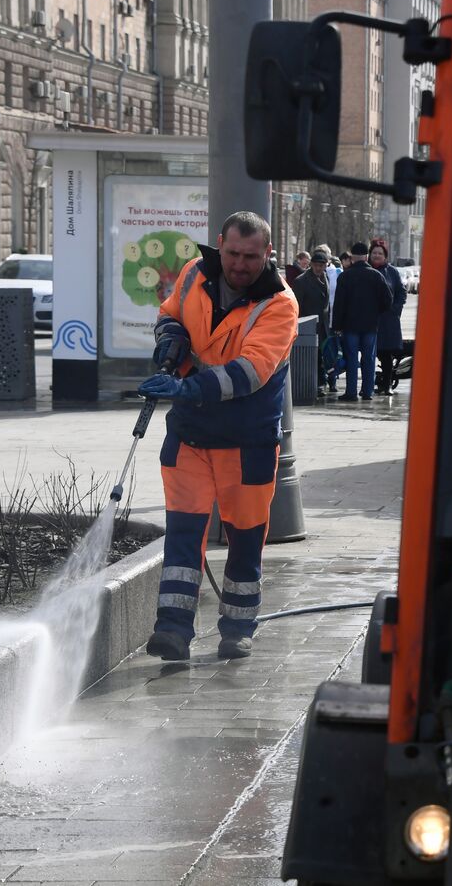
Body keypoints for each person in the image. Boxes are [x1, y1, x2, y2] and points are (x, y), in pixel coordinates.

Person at [137, 211, 300, 661]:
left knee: (245, 536)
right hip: (190, 434)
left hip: (247, 441)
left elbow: (249, 373)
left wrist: (184, 387)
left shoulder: (280, 305)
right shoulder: (194, 273)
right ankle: (172, 631)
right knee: (184, 534)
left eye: (251, 257)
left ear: (268, 254)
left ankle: (238, 626)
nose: (240, 265)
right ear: (220, 244)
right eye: (232, 253)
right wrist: (169, 342)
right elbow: (169, 315)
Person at [330, 240, 393, 401]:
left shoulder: (345, 276)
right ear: (366, 257)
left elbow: (339, 304)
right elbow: (388, 300)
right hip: (371, 325)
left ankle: (351, 392)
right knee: (369, 358)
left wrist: (337, 325)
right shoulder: (376, 276)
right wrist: (376, 312)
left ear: (352, 257)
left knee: (351, 358)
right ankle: (367, 391)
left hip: (350, 326)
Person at [292, 247, 332, 399]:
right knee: (312, 358)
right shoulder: (301, 281)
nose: (318, 268)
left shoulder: (325, 278)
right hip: (307, 325)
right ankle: (315, 385)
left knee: (321, 356)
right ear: (311, 265)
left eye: (321, 266)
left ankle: (322, 383)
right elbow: (296, 306)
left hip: (322, 325)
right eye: (316, 265)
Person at [369, 239, 407, 394]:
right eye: (374, 253)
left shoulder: (392, 272)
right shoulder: (366, 270)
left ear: (385, 256)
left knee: (386, 354)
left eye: (380, 253)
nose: (377, 255)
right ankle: (368, 385)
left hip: (388, 319)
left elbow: (401, 292)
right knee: (368, 352)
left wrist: (395, 309)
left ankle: (387, 384)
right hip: (369, 318)